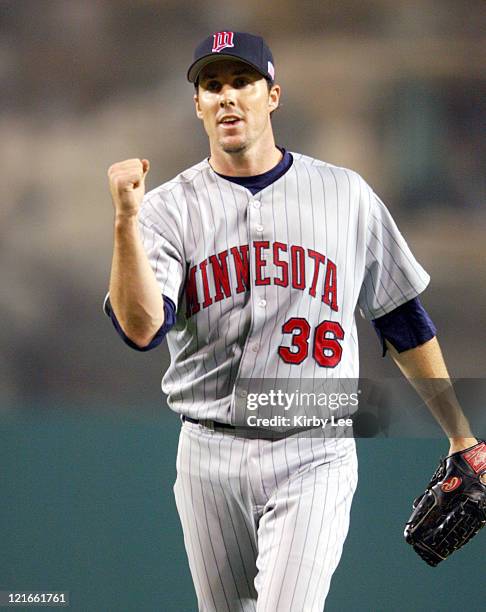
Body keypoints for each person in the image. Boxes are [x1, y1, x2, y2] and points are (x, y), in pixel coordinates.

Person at [104, 31, 477, 612]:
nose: (228, 97)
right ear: (198, 104)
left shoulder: (344, 194)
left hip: (315, 450)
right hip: (208, 452)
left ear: (272, 96)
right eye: (212, 85)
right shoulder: (166, 209)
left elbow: (402, 316)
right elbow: (142, 328)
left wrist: (461, 436)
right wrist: (126, 223)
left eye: (242, 82)